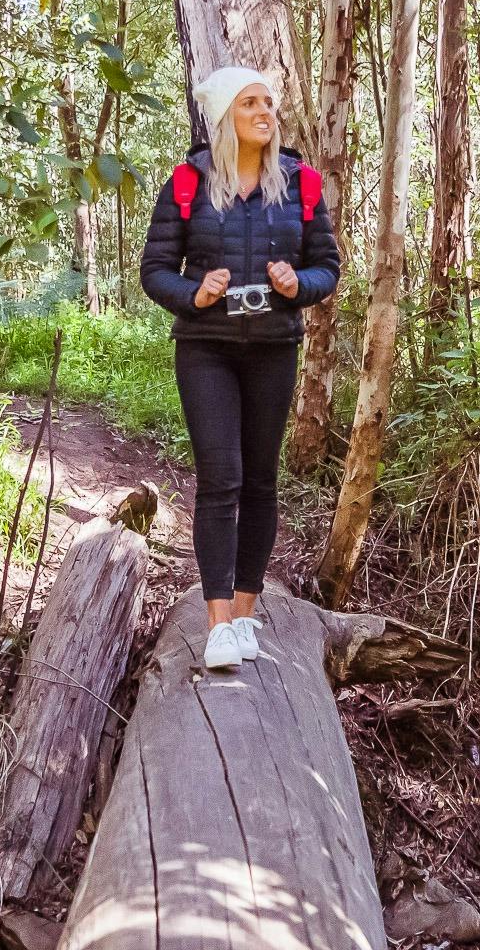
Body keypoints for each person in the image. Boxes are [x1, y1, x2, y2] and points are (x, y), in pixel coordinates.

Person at [139, 66, 341, 670]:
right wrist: (195, 294)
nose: (265, 112)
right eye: (250, 103)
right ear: (226, 115)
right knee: (221, 478)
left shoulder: (299, 182)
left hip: (274, 348)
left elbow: (327, 267)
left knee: (260, 481)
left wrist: (294, 283)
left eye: (269, 103)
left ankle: (247, 614)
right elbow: (154, 271)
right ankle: (218, 622)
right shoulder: (188, 181)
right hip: (207, 348)